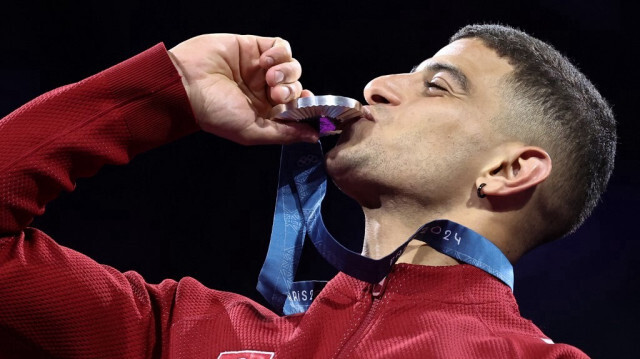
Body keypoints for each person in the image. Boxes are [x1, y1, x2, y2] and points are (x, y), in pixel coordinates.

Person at [0, 24, 614, 358]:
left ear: (510, 170)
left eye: (439, 86)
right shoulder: (184, 332)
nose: (376, 86)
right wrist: (169, 92)